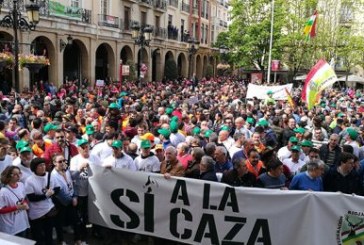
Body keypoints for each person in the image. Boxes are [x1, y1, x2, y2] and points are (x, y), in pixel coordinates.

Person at [25, 158, 59, 245]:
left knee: (49, 233)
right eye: (40, 165)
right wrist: (45, 195)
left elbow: (57, 188)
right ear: (34, 168)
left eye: (44, 165)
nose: (43, 167)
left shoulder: (50, 175)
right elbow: (31, 198)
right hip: (36, 212)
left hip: (49, 209)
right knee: (38, 235)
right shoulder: (30, 180)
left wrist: (53, 192)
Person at [51, 153, 82, 245]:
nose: (63, 163)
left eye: (64, 160)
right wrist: (71, 200)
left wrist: (75, 196)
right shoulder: (53, 175)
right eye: (60, 161)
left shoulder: (67, 170)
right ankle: (61, 241)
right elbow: (59, 192)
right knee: (59, 223)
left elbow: (73, 183)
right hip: (61, 202)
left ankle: (77, 240)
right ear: (54, 163)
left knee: (76, 221)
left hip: (72, 199)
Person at [0, 166, 30, 237]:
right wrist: (17, 207)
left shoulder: (21, 185)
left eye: (19, 173)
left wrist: (25, 203)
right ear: (9, 176)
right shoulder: (3, 192)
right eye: (15, 174)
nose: (18, 176)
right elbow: (1, 210)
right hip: (10, 227)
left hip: (22, 223)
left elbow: (24, 199)